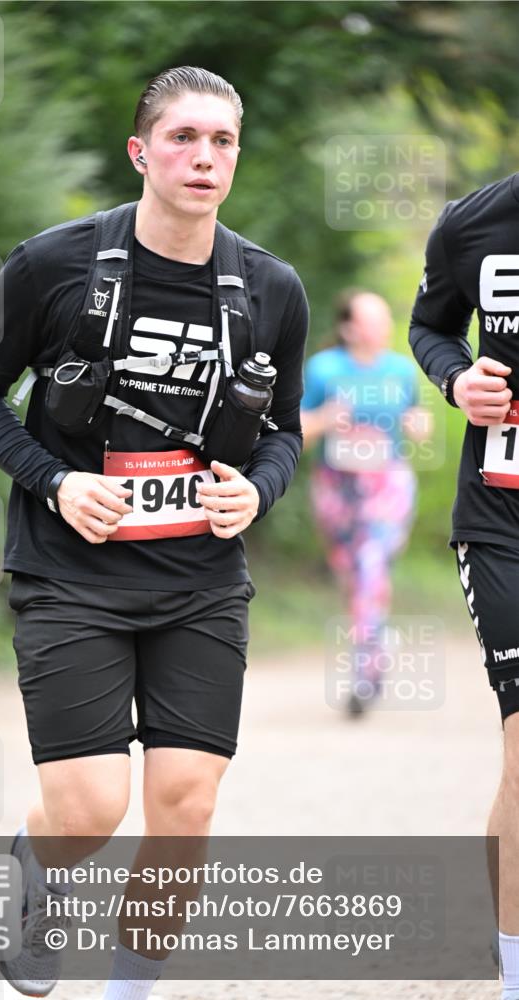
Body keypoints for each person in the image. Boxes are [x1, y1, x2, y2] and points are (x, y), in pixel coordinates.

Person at [0, 66, 308, 999]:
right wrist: (56, 481)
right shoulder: (52, 265)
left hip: (200, 579)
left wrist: (257, 493)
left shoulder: (271, 287)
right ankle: (37, 867)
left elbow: (283, 432)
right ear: (142, 152)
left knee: (184, 809)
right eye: (184, 137)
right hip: (71, 574)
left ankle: (127, 993)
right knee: (93, 810)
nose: (204, 157)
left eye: (222, 141)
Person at [409, 172, 519, 1000]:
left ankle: (500, 925)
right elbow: (430, 326)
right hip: (501, 519)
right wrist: (456, 381)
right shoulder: (472, 224)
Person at [300, 290, 431, 715]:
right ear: (348, 328)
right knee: (353, 574)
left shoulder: (399, 370)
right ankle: (375, 639)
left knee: (370, 565)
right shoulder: (324, 369)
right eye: (371, 320)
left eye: (384, 319)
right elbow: (294, 430)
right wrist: (324, 419)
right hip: (336, 484)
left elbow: (419, 421)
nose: (381, 328)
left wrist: (419, 424)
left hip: (386, 482)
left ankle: (367, 672)